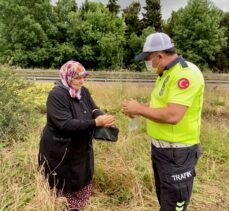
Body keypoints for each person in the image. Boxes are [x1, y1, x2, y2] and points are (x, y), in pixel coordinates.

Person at [122, 32, 205, 211]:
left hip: (178, 154)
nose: (148, 64)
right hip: (162, 150)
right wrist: (138, 109)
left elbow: (173, 115)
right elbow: (158, 105)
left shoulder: (185, 74)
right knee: (165, 200)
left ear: (159, 56)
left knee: (174, 205)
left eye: (148, 59)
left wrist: (139, 109)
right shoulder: (165, 74)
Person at [38, 60, 115, 210]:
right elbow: (64, 124)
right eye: (77, 78)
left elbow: (93, 109)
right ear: (67, 77)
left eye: (83, 77)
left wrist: (102, 117)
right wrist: (95, 123)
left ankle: (77, 207)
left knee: (81, 178)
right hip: (60, 148)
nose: (82, 81)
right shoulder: (57, 95)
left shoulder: (83, 91)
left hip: (79, 147)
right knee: (62, 183)